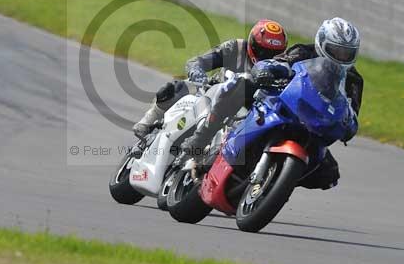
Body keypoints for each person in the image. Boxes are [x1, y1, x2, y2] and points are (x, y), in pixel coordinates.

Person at [182, 18, 363, 192]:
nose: (341, 56)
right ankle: (202, 139)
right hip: (287, 105)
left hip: (316, 126)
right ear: (322, 43)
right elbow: (279, 61)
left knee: (330, 175)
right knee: (242, 85)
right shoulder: (303, 52)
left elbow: (352, 113)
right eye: (336, 50)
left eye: (347, 53)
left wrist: (349, 127)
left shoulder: (354, 80)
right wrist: (266, 70)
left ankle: (277, 182)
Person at [132, 20, 289, 138]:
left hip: (244, 113)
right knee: (174, 89)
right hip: (210, 92)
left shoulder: (282, 67)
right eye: (262, 51)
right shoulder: (236, 48)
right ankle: (146, 122)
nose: (265, 57)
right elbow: (198, 61)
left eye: (272, 54)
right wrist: (197, 72)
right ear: (253, 44)